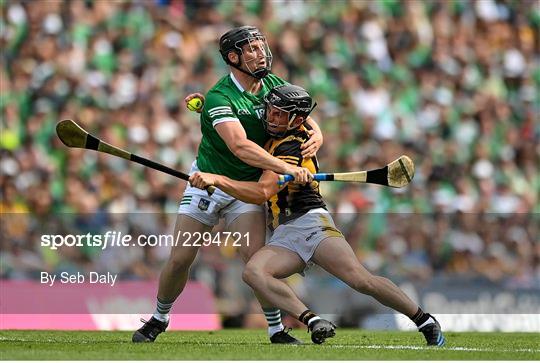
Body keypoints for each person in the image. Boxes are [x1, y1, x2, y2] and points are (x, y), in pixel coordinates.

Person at [189, 84, 446, 346]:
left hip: (311, 223)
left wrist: (217, 179)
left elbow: (261, 193)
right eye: (270, 111)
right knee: (254, 273)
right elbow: (239, 131)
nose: (271, 117)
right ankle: (312, 320)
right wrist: (209, 110)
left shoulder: (292, 146)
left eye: (279, 114)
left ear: (297, 120)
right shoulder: (273, 138)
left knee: (361, 280)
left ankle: (424, 320)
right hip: (284, 233)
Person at [133, 26, 324, 344]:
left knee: (256, 259)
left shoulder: (273, 84)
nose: (260, 53)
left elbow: (300, 112)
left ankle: (276, 329)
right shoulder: (220, 97)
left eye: (260, 46)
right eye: (251, 49)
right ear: (233, 57)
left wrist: (318, 134)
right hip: (207, 182)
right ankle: (159, 317)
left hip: (246, 189)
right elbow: (239, 146)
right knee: (181, 258)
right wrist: (285, 169)